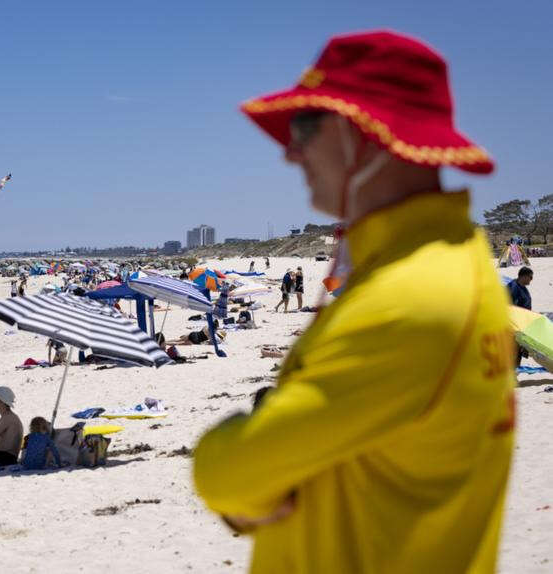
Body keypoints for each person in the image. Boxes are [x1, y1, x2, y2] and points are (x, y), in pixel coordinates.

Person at [192, 31, 514, 573]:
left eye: (303, 128)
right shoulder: (453, 262)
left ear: (359, 133)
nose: (290, 152)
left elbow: (230, 474)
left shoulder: (408, 296)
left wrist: (227, 446)